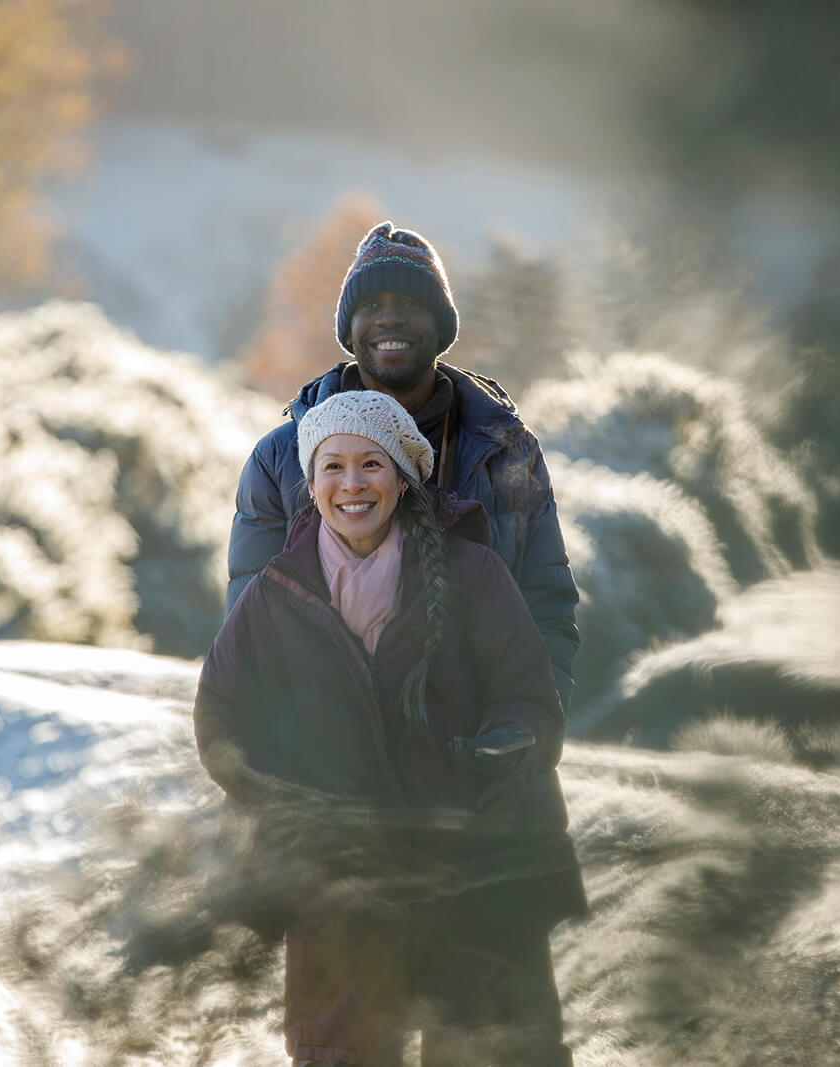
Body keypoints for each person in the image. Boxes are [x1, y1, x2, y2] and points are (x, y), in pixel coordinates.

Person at [195, 390, 586, 1067]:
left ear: (404, 475)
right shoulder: (274, 592)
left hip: (467, 865)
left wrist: (509, 741)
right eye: (333, 467)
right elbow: (222, 718)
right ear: (311, 484)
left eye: (371, 464)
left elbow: (529, 697)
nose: (352, 484)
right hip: (337, 882)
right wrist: (282, 795)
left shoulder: (472, 573)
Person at [227, 221, 580, 711]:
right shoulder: (280, 458)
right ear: (348, 331)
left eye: (411, 305)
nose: (389, 320)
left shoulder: (506, 451)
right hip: (324, 746)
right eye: (371, 306)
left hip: (478, 752)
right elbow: (250, 628)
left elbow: (547, 601)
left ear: (442, 329)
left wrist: (531, 724)